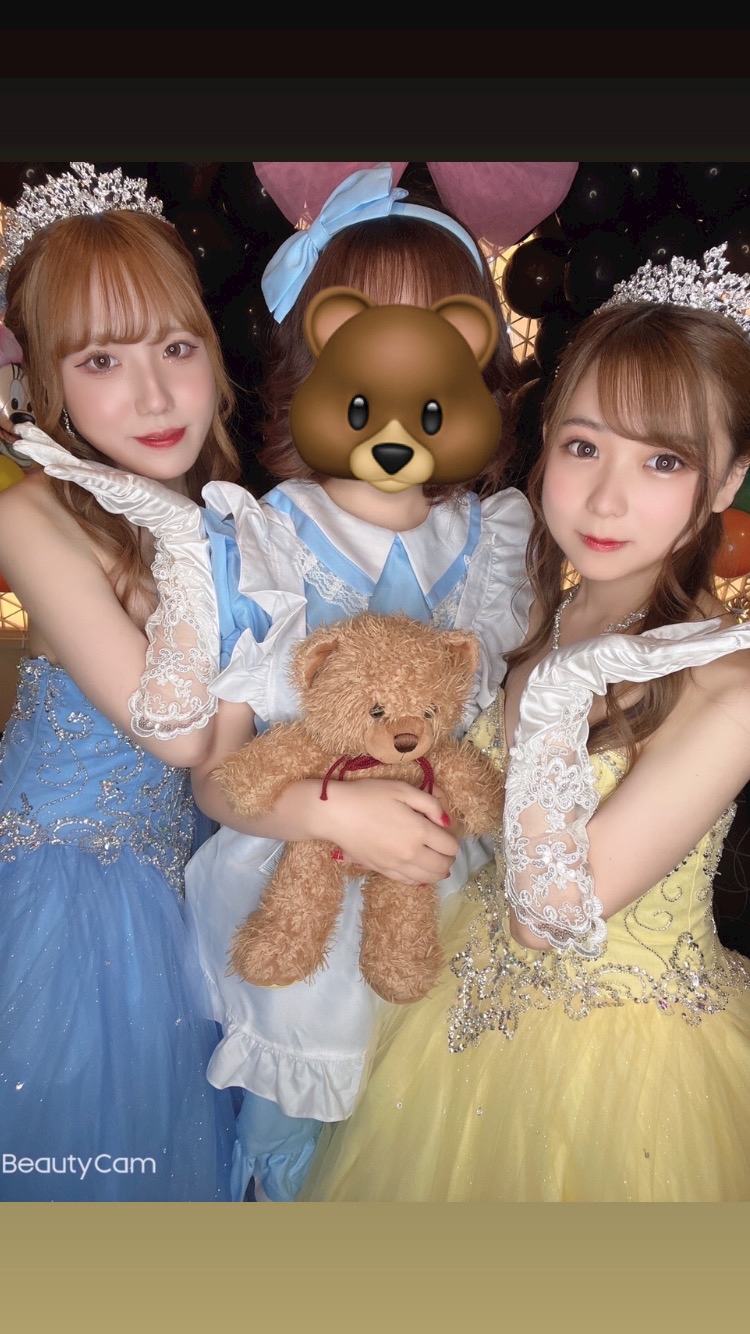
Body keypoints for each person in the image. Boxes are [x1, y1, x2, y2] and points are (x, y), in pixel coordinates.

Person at [300, 247, 750, 1202]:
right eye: (585, 446)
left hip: (626, 1078)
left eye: (664, 460)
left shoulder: (731, 687)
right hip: (463, 1013)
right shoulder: (547, 611)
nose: (607, 497)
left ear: (728, 481)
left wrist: (551, 698)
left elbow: (547, 918)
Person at [183, 163, 540, 1201]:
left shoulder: (491, 539)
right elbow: (213, 775)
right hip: (300, 887)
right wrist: (328, 809)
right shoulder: (265, 538)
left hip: (449, 891)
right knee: (299, 1147)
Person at [0, 164, 239, 1200]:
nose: (154, 395)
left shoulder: (224, 512)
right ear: (46, 382)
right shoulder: (32, 518)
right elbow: (178, 730)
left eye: (176, 348)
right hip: (69, 904)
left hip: (184, 888)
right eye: (102, 359)